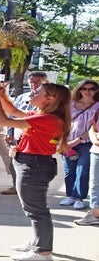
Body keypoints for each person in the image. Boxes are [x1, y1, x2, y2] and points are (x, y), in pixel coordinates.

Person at [0, 82, 71, 261]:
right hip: (33, 163)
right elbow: (14, 111)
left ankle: (43, 252)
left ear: (50, 99)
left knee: (36, 210)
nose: (33, 92)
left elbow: (2, 120)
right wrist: (2, 95)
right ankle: (39, 242)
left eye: (38, 91)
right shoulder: (43, 116)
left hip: (33, 165)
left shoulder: (46, 119)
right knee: (34, 208)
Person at [2, 71, 49, 195]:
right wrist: (9, 132)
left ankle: (33, 187)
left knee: (34, 163)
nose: (33, 85)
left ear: (45, 82)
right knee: (14, 161)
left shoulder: (48, 99)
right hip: (18, 133)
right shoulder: (22, 97)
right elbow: (12, 115)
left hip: (36, 136)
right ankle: (16, 185)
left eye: (36, 82)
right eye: (31, 82)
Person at [60, 79, 99, 210]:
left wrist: (78, 140)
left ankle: (79, 197)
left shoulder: (97, 106)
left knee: (82, 170)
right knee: (68, 171)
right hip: (68, 142)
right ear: (79, 90)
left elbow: (94, 128)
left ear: (96, 90)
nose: (88, 92)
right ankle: (70, 195)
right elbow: (62, 122)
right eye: (84, 88)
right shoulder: (70, 104)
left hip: (86, 143)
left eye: (91, 89)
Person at [75, 108, 99, 225]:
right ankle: (95, 213)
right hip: (97, 151)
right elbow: (92, 129)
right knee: (95, 184)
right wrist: (95, 140)